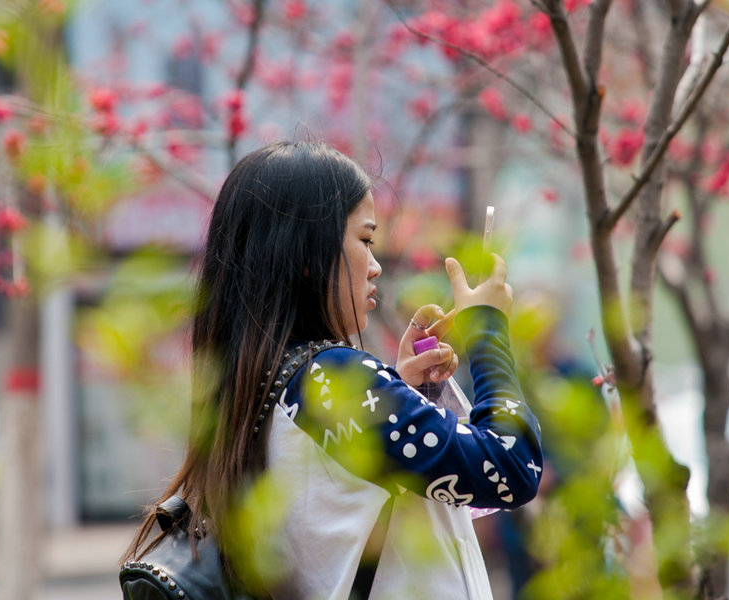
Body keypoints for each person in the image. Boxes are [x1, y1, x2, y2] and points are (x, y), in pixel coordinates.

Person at [122, 141, 543, 599]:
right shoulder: (333, 378)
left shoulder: (266, 386)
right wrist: (487, 331)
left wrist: (397, 390)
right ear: (306, 254)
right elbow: (511, 467)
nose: (376, 265)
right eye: (365, 240)